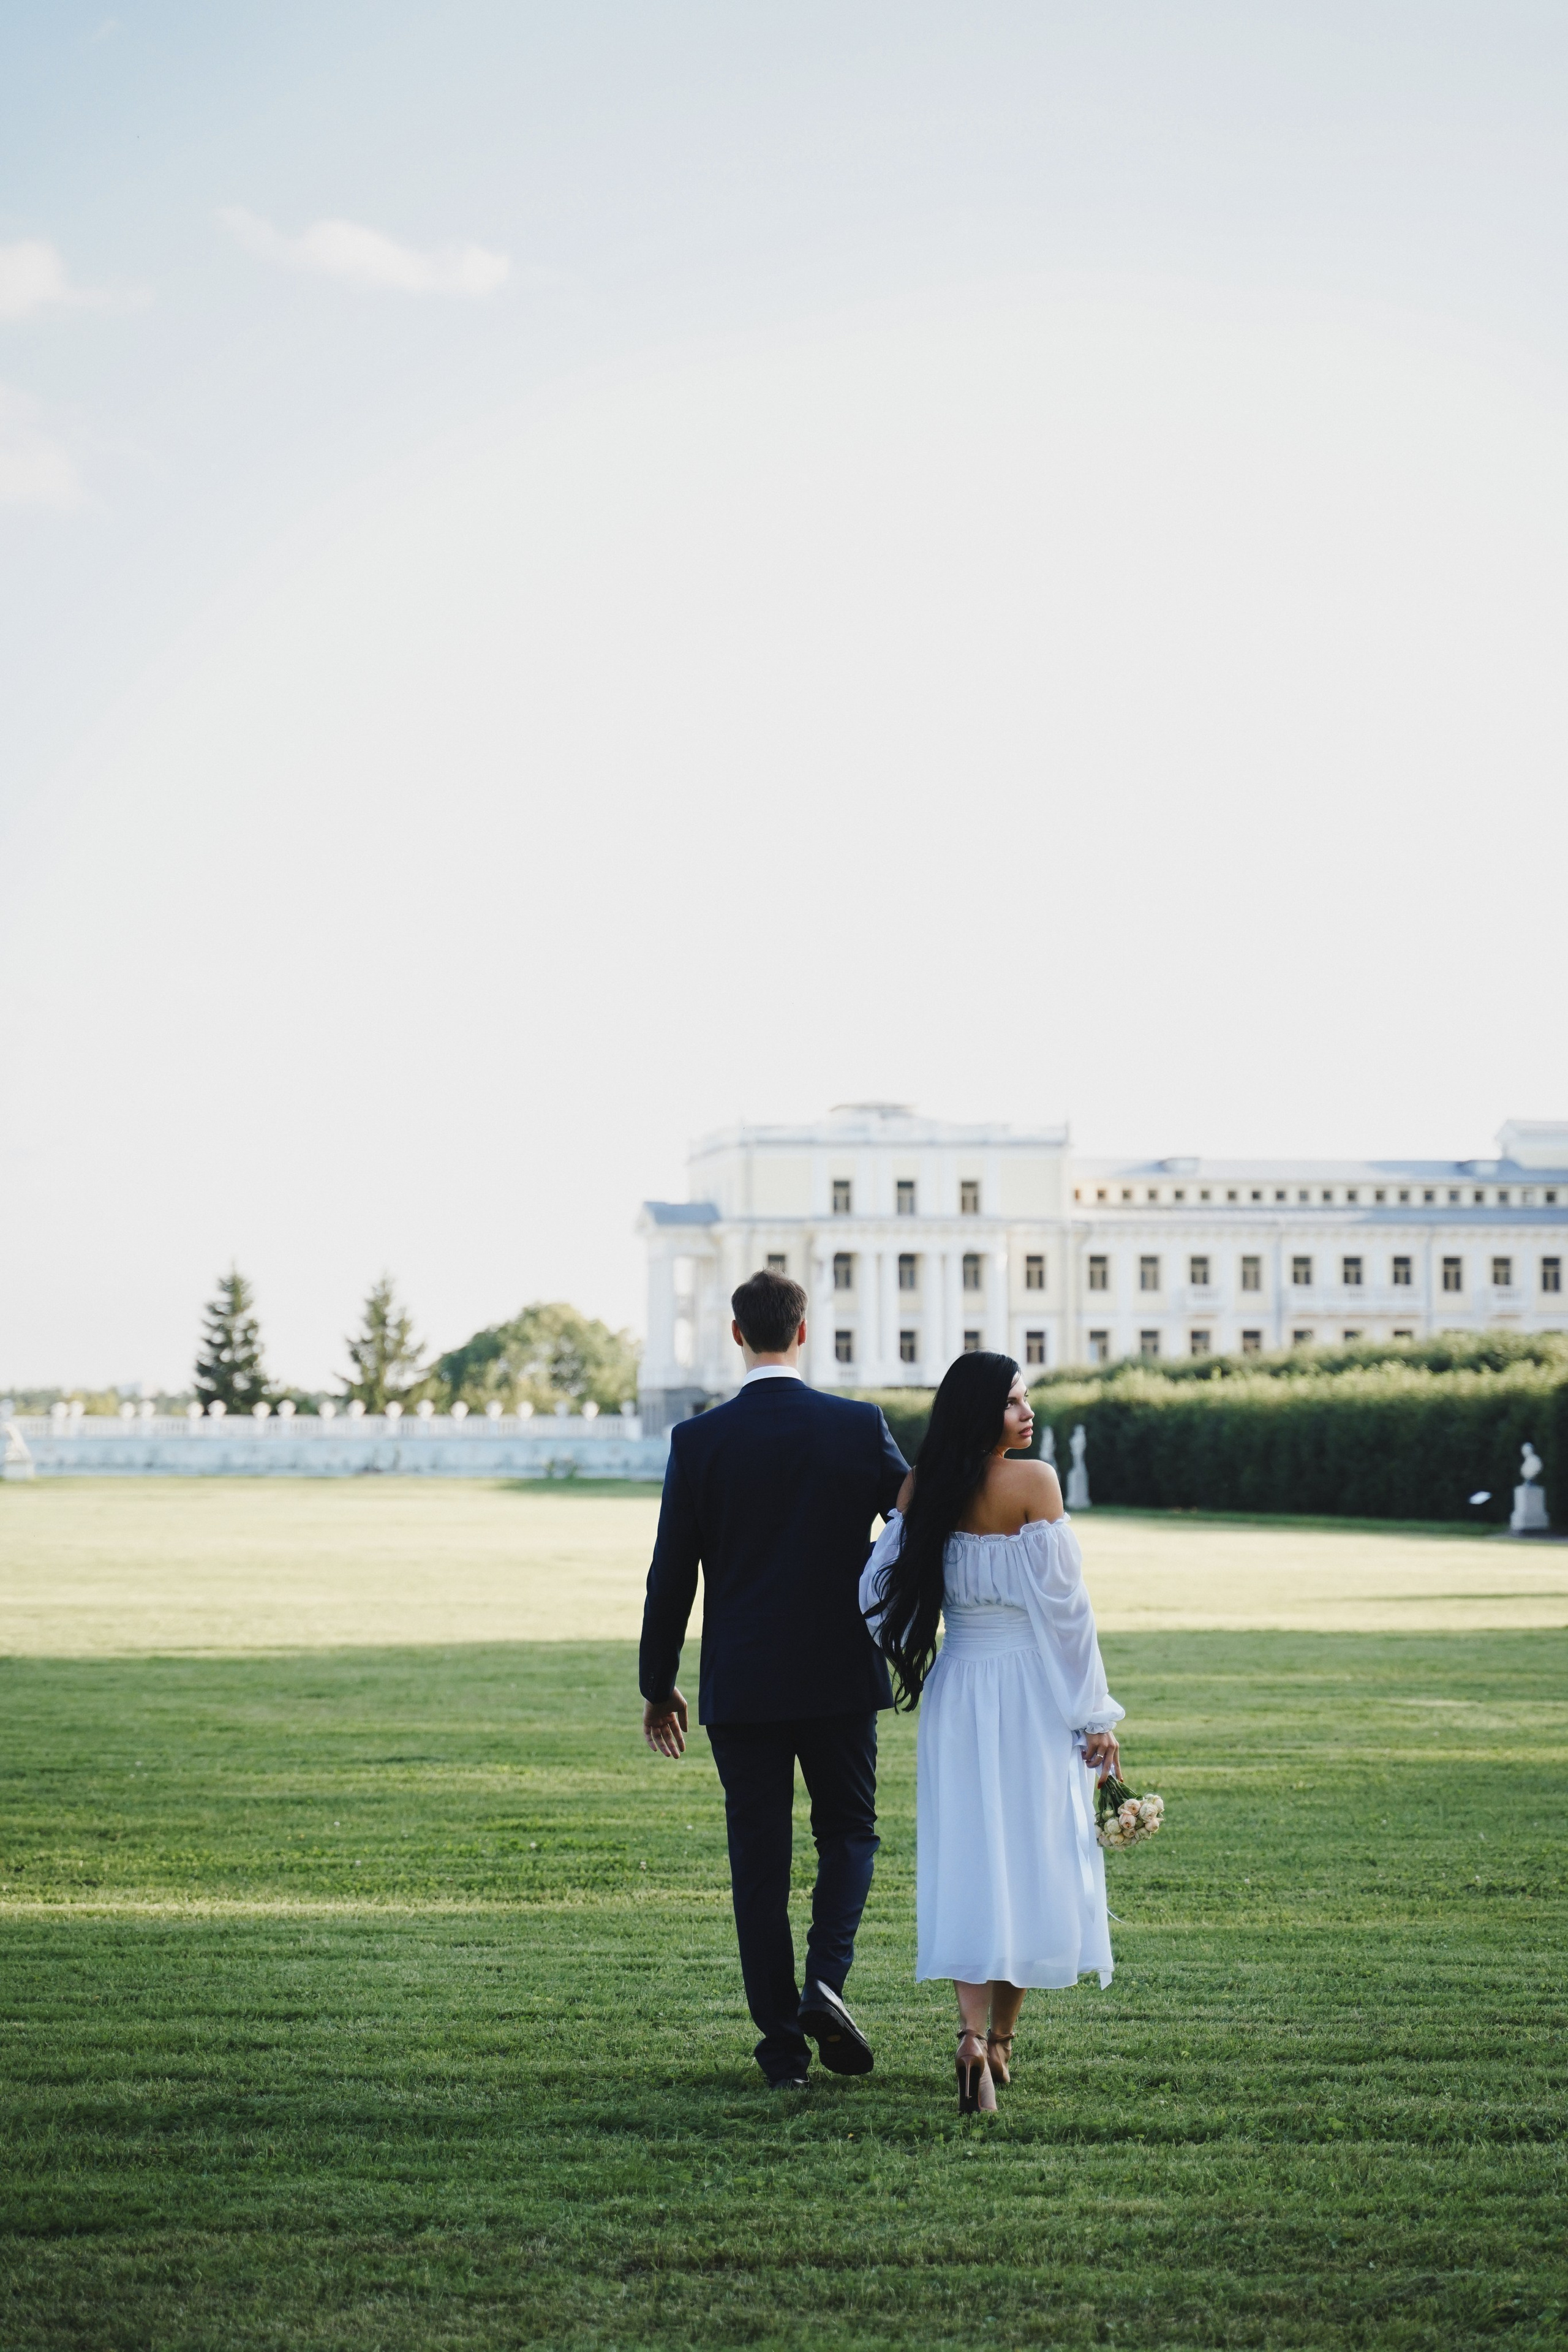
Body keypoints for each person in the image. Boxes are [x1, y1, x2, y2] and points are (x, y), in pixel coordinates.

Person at [639, 1267, 909, 2089]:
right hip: (838, 1674)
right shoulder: (859, 1427)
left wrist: (659, 1684)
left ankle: (783, 2049)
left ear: (735, 1335)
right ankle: (827, 1981)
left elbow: (670, 1575)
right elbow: (914, 1522)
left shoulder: (699, 1441)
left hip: (743, 1682)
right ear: (803, 1331)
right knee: (849, 1835)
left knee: (759, 1862)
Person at [859, 1351, 1123, 2114]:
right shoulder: (1033, 1483)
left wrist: (916, 1643)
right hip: (1032, 1695)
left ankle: (971, 2037)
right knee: (1033, 1857)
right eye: (1013, 1401)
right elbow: (1067, 1617)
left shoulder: (921, 1488)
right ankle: (1001, 2046)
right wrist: (1095, 1716)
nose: (1027, 1411)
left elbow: (873, 1589)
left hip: (958, 1689)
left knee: (970, 1857)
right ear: (981, 1411)